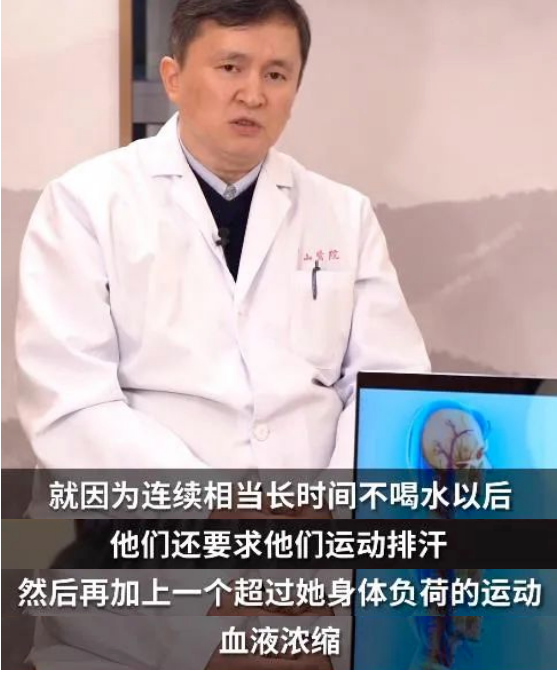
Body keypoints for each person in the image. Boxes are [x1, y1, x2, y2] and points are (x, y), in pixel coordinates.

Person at [15, 0, 430, 668]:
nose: (253, 93)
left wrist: (328, 503)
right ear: (174, 77)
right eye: (230, 67)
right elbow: (71, 406)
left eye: (276, 74)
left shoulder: (343, 214)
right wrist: (216, 505)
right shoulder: (86, 204)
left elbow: (391, 386)